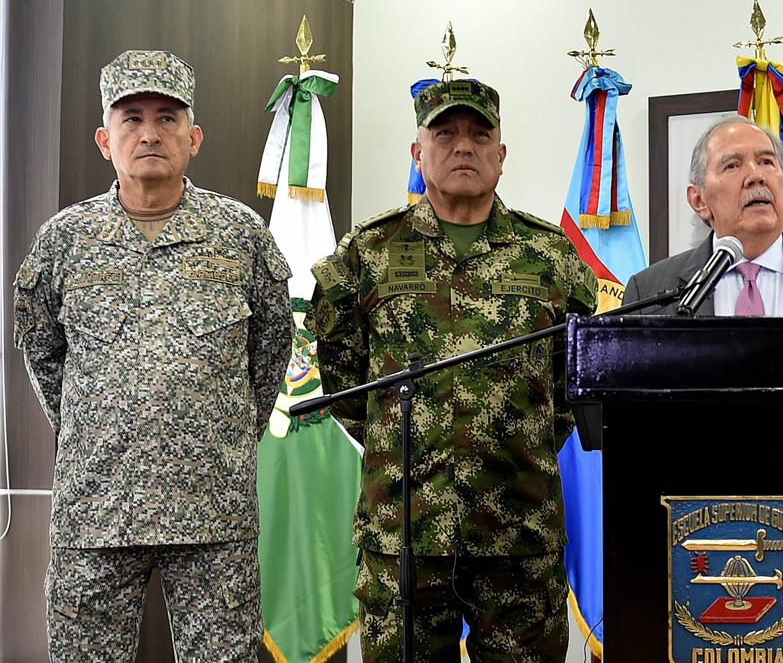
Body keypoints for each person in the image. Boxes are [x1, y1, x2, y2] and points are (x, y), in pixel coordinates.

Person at [13, 49, 293, 660]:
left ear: (194, 138)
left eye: (167, 118)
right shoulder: (65, 241)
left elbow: (270, 351)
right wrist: (96, 428)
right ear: (103, 140)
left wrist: (215, 433)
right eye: (131, 117)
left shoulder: (241, 236)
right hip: (96, 505)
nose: (149, 133)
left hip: (213, 508)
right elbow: (40, 349)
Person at [308, 78, 597, 662]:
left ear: (501, 155)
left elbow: (572, 387)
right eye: (445, 133)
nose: (463, 146)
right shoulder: (368, 253)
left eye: (478, 134)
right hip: (405, 533)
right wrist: (401, 441)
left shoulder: (552, 257)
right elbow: (346, 381)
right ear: (418, 153)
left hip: (519, 530)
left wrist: (518, 441)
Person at [623, 114, 783, 316]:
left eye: (767, 162)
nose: (756, 176)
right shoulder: (647, 292)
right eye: (732, 165)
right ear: (699, 200)